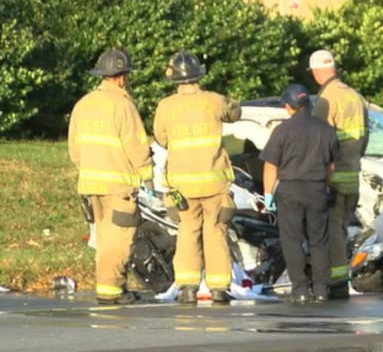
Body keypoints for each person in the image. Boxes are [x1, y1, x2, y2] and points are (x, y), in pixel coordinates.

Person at [152, 50, 241, 304]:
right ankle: (218, 289)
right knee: (215, 233)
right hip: (215, 183)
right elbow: (234, 114)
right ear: (198, 74)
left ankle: (188, 288)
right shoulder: (214, 100)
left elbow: (161, 139)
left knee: (188, 232)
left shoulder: (165, 106)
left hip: (182, 187)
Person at [68, 47, 153, 305]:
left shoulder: (82, 104)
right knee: (118, 240)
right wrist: (147, 175)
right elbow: (137, 145)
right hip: (118, 186)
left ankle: (112, 285)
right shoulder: (123, 106)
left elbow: (74, 149)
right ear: (121, 76)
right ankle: (111, 290)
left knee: (104, 239)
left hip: (91, 184)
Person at [260, 83, 338, 303]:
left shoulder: (282, 131)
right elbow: (331, 165)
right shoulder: (325, 129)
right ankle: (322, 289)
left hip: (290, 190)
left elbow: (270, 166)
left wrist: (268, 194)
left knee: (292, 240)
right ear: (308, 104)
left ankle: (301, 290)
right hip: (317, 189)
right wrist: (325, 185)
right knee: (319, 240)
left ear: (288, 106)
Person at [308, 49, 369, 288]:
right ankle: (341, 276)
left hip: (331, 178)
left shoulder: (326, 100)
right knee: (341, 228)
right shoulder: (355, 96)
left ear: (315, 73)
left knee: (332, 229)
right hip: (352, 175)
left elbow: (318, 140)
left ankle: (337, 280)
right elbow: (364, 139)